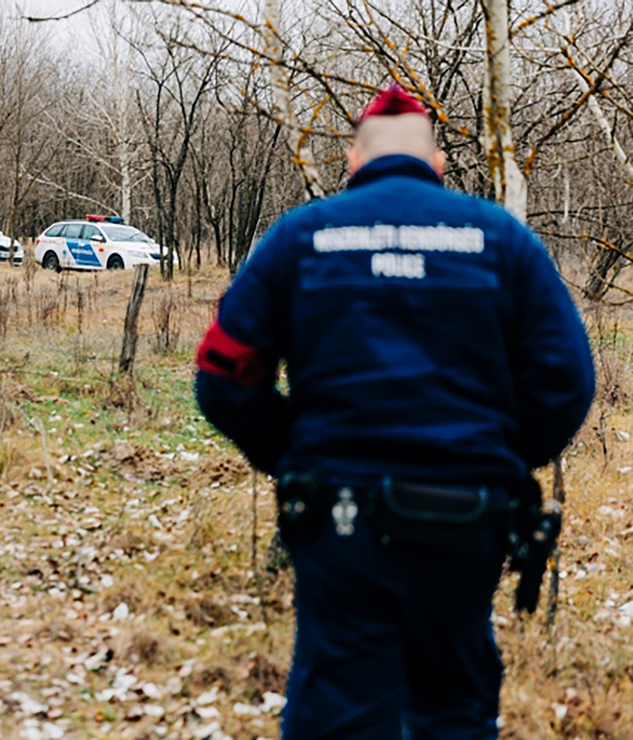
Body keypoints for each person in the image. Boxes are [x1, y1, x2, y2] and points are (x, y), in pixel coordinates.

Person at [195, 86, 594, 739]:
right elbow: (566, 380)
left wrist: (291, 452)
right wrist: (495, 460)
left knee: (340, 711)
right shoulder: (498, 239)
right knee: (452, 708)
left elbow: (223, 371)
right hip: (466, 518)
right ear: (435, 161)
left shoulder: (302, 236)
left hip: (336, 514)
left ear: (353, 158)